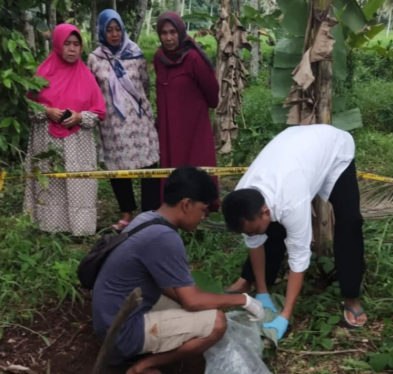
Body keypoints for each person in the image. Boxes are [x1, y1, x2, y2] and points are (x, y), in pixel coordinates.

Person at [92, 166, 264, 374]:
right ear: (186, 204)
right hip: (122, 332)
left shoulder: (147, 218)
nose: (203, 217)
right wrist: (243, 300)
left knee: (194, 306)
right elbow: (192, 300)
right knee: (217, 323)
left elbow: (174, 290)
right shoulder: (164, 237)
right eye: (203, 210)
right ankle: (143, 366)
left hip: (110, 317)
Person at [222, 125, 368, 339]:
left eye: (251, 231)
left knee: (350, 221)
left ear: (264, 211)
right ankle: (252, 280)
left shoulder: (292, 201)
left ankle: (351, 296)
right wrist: (262, 293)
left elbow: (299, 258)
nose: (250, 235)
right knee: (266, 231)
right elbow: (254, 242)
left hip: (333, 151)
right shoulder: (242, 202)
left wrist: (285, 315)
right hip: (295, 151)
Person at [24, 24, 106, 236]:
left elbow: (99, 112)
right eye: (67, 44)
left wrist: (80, 117)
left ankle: (79, 229)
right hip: (46, 141)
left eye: (76, 44)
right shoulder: (42, 73)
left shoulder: (87, 77)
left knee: (78, 184)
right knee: (50, 183)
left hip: (78, 144)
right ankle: (48, 227)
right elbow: (29, 107)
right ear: (58, 45)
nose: (72, 49)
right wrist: (47, 111)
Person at [88, 9, 161, 231]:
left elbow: (145, 86)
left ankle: (149, 212)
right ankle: (127, 213)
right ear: (102, 31)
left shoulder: (136, 54)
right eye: (109, 30)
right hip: (111, 125)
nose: (114, 34)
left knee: (149, 165)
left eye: (117, 29)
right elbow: (93, 91)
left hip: (139, 121)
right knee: (118, 169)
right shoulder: (95, 59)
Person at [153, 12, 220, 211]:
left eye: (173, 32)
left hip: (193, 123)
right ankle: (176, 206)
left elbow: (212, 92)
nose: (168, 37)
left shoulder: (193, 58)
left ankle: (203, 206)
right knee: (173, 161)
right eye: (164, 33)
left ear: (181, 32)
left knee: (196, 161)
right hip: (169, 123)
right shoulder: (159, 58)